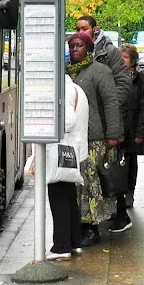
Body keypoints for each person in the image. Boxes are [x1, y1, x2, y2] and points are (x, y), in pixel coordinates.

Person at [66, 31, 123, 244]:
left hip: (94, 137)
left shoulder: (100, 71)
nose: (74, 50)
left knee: (90, 181)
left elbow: (111, 102)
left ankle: (91, 228)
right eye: (72, 46)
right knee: (76, 183)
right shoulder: (67, 73)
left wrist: (113, 135)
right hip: (72, 137)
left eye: (79, 45)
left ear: (89, 49)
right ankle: (78, 224)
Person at [47, 75, 90, 260]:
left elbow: (67, 120)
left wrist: (44, 127)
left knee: (58, 196)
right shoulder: (74, 87)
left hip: (61, 152)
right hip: (72, 152)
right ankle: (74, 241)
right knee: (69, 196)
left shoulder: (64, 88)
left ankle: (61, 246)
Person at [75, 15, 131, 116]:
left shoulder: (109, 51)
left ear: (95, 29)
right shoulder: (74, 52)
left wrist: (110, 107)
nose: (80, 33)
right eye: (78, 29)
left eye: (84, 29)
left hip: (103, 114)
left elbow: (123, 82)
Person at [119, 43, 144, 211]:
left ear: (132, 60)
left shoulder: (140, 78)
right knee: (118, 162)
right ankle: (119, 191)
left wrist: (140, 132)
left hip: (133, 125)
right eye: (121, 57)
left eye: (125, 57)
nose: (122, 60)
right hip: (119, 126)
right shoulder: (115, 76)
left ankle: (130, 191)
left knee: (131, 161)